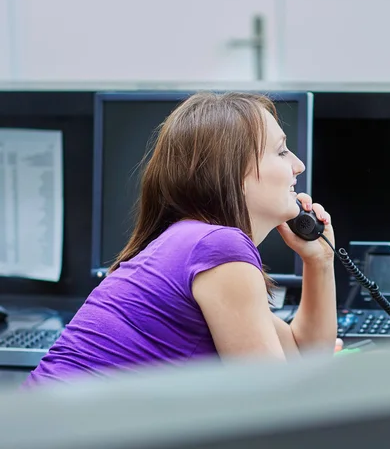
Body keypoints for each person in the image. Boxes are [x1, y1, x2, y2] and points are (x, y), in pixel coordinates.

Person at [24, 92, 338, 386]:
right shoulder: (219, 247)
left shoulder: (192, 242)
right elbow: (276, 400)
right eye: (281, 151)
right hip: (66, 439)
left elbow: (302, 355)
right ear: (233, 170)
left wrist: (320, 261)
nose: (298, 165)